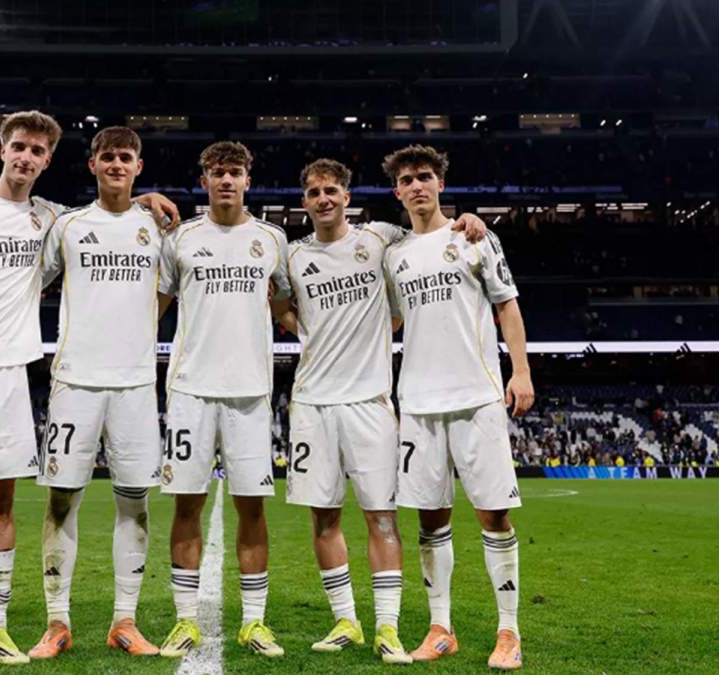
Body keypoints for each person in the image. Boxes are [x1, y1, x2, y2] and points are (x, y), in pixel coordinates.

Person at [0, 111, 177, 673]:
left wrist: (147, 198)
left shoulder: (52, 219)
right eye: (19, 146)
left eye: (38, 151)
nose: (27, 157)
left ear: (48, 161)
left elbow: (108, 213)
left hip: (11, 374)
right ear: (3, 149)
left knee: (2, 502)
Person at [274, 158, 486, 664]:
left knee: (382, 517)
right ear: (304, 202)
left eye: (332, 190)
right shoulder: (294, 254)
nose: (323, 198)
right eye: (313, 192)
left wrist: (469, 220)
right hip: (311, 402)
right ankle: (346, 619)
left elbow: (432, 231)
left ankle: (387, 627)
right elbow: (276, 300)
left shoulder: (379, 239)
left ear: (348, 197)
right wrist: (300, 327)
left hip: (370, 402)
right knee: (323, 517)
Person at [382, 145, 534, 670]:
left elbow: (507, 304)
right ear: (397, 192)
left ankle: (508, 631)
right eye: (407, 179)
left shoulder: (474, 236)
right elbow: (392, 322)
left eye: (425, 176)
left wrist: (522, 371)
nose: (417, 185)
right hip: (419, 402)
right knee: (431, 519)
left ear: (440, 184)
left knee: (494, 514)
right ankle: (440, 628)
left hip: (477, 397)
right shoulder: (394, 255)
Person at [24, 126, 167, 659]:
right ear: (92, 165)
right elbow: (25, 280)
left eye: (125, 157)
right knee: (62, 500)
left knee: (135, 503)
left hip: (134, 384)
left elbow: (175, 285)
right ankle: (56, 622)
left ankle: (123, 621)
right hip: (75, 383)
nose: (116, 165)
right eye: (107, 157)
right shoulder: (68, 226)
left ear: (138, 166)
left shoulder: (157, 228)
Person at [155, 141, 291, 658]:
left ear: (248, 180)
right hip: (190, 389)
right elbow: (155, 305)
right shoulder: (182, 238)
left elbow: (285, 307)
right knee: (186, 506)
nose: (226, 181)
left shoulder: (271, 239)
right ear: (204, 180)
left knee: (251, 508)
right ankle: (185, 620)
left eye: (235, 172)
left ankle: (254, 623)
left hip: (251, 395)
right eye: (217, 173)